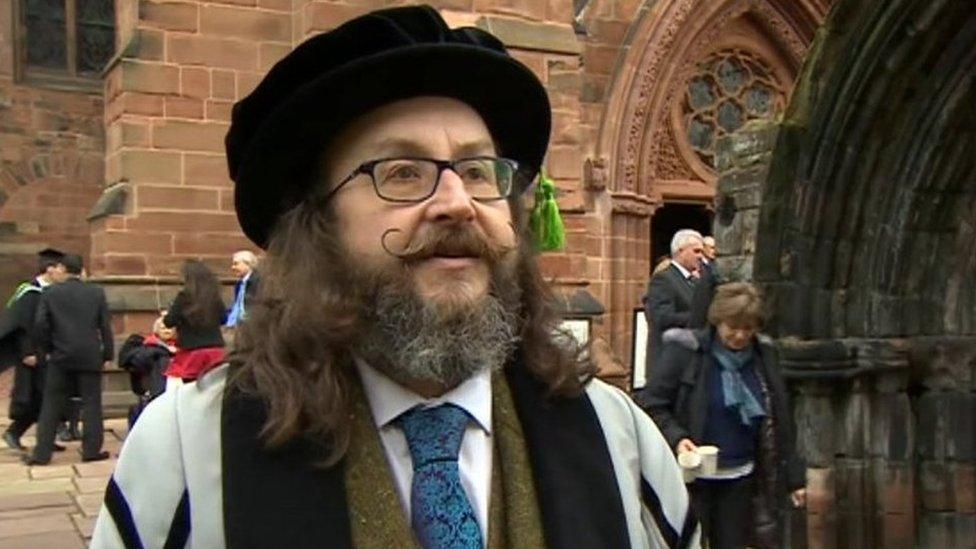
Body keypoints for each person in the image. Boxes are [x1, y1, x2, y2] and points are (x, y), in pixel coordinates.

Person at [92, 6, 698, 548]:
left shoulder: (619, 438)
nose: (458, 202)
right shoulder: (189, 453)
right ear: (319, 224)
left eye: (479, 170)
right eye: (403, 172)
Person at [641, 282, 806, 548]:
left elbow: (782, 419)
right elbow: (651, 402)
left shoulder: (764, 357)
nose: (740, 336)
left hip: (741, 480)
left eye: (748, 329)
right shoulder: (686, 352)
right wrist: (677, 438)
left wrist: (795, 479)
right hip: (691, 481)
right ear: (717, 321)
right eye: (732, 327)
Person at [25, 254, 113, 465]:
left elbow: (40, 325)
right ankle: (91, 449)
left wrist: (45, 349)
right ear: (81, 270)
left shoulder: (51, 293)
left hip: (60, 355)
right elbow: (105, 326)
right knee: (92, 403)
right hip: (89, 354)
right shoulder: (96, 292)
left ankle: (42, 453)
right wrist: (107, 354)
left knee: (51, 404)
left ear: (63, 268)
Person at [0, 249, 67, 451]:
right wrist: (27, 352)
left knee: (47, 396)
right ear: (50, 269)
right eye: (60, 269)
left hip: (48, 352)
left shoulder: (51, 292)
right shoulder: (30, 293)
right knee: (34, 397)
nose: (63, 274)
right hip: (31, 354)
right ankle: (13, 432)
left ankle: (44, 439)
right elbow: (23, 328)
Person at [642, 229, 705, 368]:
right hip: (669, 361)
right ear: (680, 251)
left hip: (690, 359)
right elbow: (662, 317)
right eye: (696, 251)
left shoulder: (694, 281)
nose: (701, 256)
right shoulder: (664, 279)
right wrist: (700, 317)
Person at [162, 260, 226, 387]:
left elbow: (169, 322)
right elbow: (223, 319)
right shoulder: (213, 297)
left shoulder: (184, 297)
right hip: (215, 350)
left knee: (193, 391)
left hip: (193, 352)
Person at [224, 250, 260, 327]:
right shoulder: (239, 284)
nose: (232, 267)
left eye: (236, 264)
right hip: (236, 325)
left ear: (247, 263)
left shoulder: (259, 281)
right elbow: (237, 307)